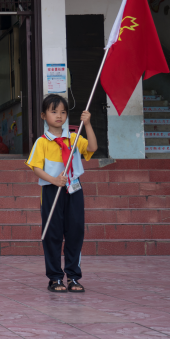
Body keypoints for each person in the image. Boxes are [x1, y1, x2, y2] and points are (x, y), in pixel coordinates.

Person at [26, 94, 97, 293]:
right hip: (51, 190)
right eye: (54, 111)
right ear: (43, 115)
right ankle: (55, 278)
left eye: (63, 112)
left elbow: (92, 147)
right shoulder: (42, 142)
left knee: (75, 231)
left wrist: (88, 124)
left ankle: (74, 277)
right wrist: (54, 180)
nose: (59, 115)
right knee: (53, 233)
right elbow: (35, 167)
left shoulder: (73, 138)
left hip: (74, 189)